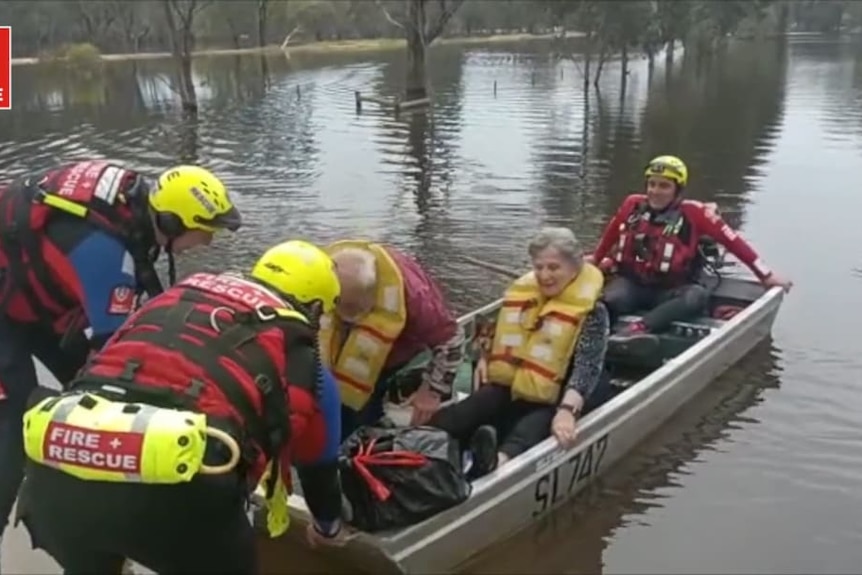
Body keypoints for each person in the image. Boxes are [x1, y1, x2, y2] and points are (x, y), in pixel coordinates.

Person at [15, 240, 347, 573]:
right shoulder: (306, 364)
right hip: (184, 497)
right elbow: (318, 468)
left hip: (58, 467)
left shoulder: (167, 304)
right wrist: (326, 528)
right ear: (315, 307)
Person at [0, 160, 239, 554]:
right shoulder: (109, 259)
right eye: (204, 233)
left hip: (32, 287)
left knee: (80, 378)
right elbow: (111, 362)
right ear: (173, 223)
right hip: (12, 303)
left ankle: (91, 492)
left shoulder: (133, 205)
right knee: (13, 421)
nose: (208, 243)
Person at [429, 227, 611, 478]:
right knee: (474, 406)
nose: (544, 275)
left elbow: (587, 366)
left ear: (575, 267)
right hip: (518, 383)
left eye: (553, 268)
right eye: (539, 267)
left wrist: (567, 412)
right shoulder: (524, 294)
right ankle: (420, 444)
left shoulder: (593, 311)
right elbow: (490, 331)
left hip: (562, 391)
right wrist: (483, 357)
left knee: (532, 425)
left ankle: (495, 464)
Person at [588, 155, 793, 351]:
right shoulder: (632, 205)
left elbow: (734, 243)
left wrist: (765, 276)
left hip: (671, 291)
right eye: (652, 184)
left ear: (677, 189)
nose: (655, 191)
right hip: (633, 285)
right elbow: (611, 233)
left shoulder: (696, 213)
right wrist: (596, 260)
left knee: (697, 296)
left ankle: (637, 330)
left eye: (664, 186)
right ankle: (595, 336)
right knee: (608, 300)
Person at [319, 240, 465, 439]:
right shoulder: (323, 275)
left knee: (361, 417)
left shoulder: (418, 298)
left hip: (394, 350)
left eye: (356, 311)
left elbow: (451, 339)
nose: (348, 318)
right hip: (340, 351)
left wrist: (432, 391)